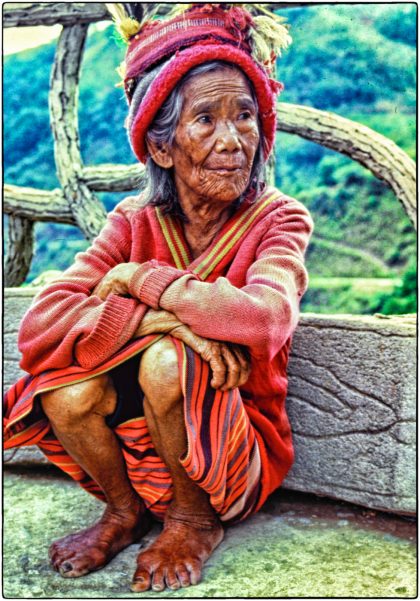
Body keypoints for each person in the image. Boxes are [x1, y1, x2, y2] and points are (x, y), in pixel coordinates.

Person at [3, 3, 313, 593]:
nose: (233, 140)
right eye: (206, 120)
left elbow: (265, 320)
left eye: (245, 116)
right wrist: (171, 323)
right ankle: (124, 511)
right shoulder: (132, 220)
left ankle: (192, 521)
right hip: (142, 459)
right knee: (67, 388)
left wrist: (139, 282)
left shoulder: (279, 219)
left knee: (168, 365)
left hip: (234, 461)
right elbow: (41, 326)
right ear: (163, 148)